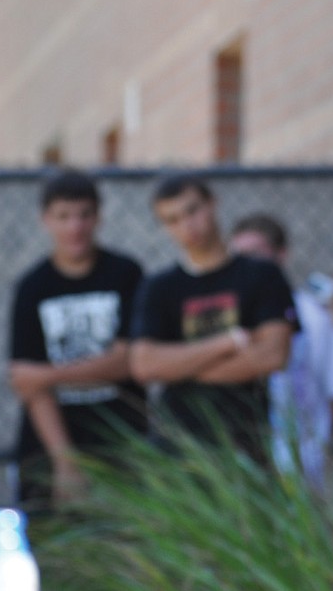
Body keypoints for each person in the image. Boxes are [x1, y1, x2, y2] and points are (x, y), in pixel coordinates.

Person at [7, 168, 146, 514]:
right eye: (63, 217)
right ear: (46, 221)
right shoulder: (33, 286)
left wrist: (47, 374)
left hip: (120, 437)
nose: (75, 227)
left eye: (84, 215)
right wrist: (65, 461)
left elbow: (128, 362)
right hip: (50, 443)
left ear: (98, 217)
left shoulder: (126, 273)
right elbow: (27, 383)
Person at [129, 174, 294, 463]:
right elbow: (144, 364)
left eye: (193, 211)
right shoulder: (159, 287)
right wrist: (229, 343)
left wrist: (179, 367)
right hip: (178, 444)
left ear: (212, 204)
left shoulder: (262, 274)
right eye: (172, 220)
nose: (187, 226)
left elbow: (273, 355)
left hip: (247, 440)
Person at [229, 213, 333, 489]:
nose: (247, 265)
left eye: (255, 254)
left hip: (303, 468)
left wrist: (320, 448)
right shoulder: (228, 316)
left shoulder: (313, 317)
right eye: (239, 257)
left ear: (281, 255)